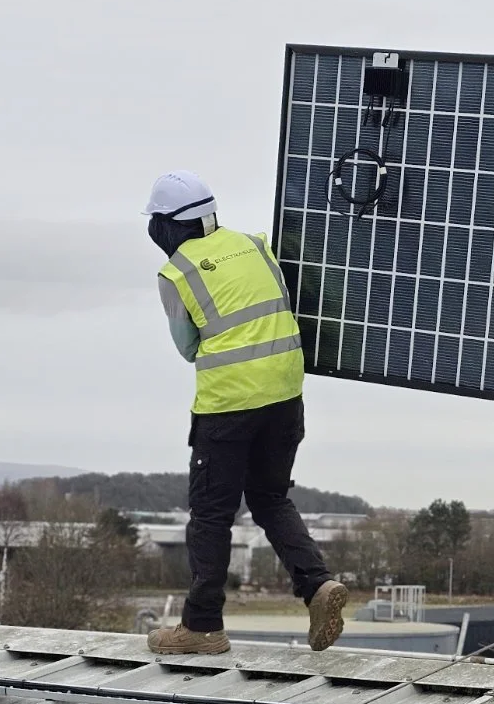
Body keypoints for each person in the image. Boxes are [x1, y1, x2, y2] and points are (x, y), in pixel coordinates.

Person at [141, 170, 347, 655]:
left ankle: (202, 626)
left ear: (166, 225)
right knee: (271, 498)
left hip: (228, 407)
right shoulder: (255, 245)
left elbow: (188, 347)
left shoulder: (176, 273)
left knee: (211, 516)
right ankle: (317, 585)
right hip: (284, 396)